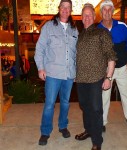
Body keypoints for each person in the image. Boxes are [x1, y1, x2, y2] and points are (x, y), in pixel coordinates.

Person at [34, 0, 78, 146]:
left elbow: (76, 53)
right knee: (49, 104)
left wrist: (76, 70)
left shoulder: (74, 29)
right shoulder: (48, 27)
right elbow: (40, 48)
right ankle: (45, 132)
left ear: (71, 10)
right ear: (59, 9)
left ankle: (63, 126)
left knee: (65, 103)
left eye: (68, 8)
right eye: (63, 7)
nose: (65, 10)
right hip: (52, 73)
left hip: (69, 74)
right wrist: (40, 67)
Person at [75, 3, 116, 150]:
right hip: (80, 79)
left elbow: (111, 56)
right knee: (85, 107)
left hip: (95, 79)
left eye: (89, 15)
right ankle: (89, 130)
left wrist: (108, 77)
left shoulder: (102, 33)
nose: (86, 17)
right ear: (81, 17)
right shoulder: (80, 35)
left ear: (94, 16)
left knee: (96, 109)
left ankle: (97, 141)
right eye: (84, 15)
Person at [97, 0, 127, 132]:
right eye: (105, 9)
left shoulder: (122, 26)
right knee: (104, 97)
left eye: (110, 9)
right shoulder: (97, 29)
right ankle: (102, 121)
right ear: (101, 12)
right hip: (105, 70)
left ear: (113, 11)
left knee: (126, 94)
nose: (107, 12)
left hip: (121, 68)